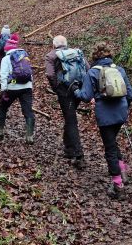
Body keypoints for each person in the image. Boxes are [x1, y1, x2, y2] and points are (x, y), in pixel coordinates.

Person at [73, 41, 132, 200]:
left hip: (105, 115)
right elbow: (130, 95)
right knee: (113, 142)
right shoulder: (119, 69)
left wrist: (75, 90)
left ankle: (118, 185)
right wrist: (124, 108)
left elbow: (85, 97)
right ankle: (123, 171)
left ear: (94, 56)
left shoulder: (92, 72)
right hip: (121, 113)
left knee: (110, 149)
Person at [45, 35, 87, 170]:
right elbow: (88, 68)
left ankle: (78, 154)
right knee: (70, 117)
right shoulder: (76, 53)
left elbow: (50, 74)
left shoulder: (52, 56)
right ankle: (68, 148)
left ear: (54, 45)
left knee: (71, 120)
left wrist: (56, 87)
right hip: (78, 91)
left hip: (66, 93)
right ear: (66, 44)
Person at [0, 34, 35, 143]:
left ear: (6, 48)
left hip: (11, 87)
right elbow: (29, 73)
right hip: (27, 87)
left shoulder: (6, 58)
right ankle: (29, 135)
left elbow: (3, 75)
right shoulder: (24, 55)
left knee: (3, 107)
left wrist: (3, 90)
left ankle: (0, 131)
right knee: (28, 111)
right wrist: (30, 85)